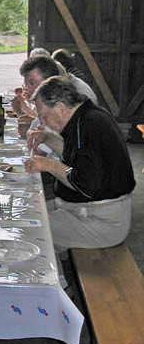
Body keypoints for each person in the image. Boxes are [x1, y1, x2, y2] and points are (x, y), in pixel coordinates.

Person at [24, 76, 135, 253]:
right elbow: (78, 157)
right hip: (85, 211)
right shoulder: (85, 116)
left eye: (44, 116)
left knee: (27, 229)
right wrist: (48, 138)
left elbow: (84, 183)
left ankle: (50, 270)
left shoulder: (90, 125)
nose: (42, 122)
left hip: (101, 222)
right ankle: (56, 265)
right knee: (26, 211)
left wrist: (48, 164)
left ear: (61, 108)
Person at [12, 55, 98, 139]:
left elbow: (64, 142)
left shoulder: (68, 105)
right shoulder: (50, 102)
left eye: (32, 83)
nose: (27, 89)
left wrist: (25, 112)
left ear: (50, 80)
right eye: (26, 85)